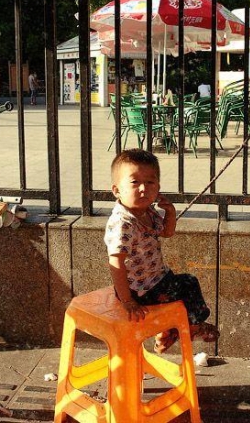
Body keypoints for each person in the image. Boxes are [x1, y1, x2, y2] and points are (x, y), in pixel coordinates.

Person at [104, 148, 219, 354]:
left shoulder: (146, 211)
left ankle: (167, 333)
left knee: (186, 285)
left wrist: (171, 212)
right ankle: (192, 328)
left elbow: (167, 232)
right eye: (134, 182)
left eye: (150, 182)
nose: (143, 189)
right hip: (140, 291)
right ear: (117, 190)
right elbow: (116, 264)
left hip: (157, 279)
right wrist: (128, 301)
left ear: (158, 187)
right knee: (187, 286)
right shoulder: (123, 223)